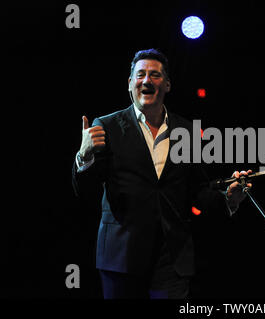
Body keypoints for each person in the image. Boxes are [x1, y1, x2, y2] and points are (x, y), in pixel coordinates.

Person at [72, 48, 251, 299]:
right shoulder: (107, 125)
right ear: (130, 83)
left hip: (172, 258)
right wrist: (84, 155)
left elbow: (196, 190)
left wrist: (227, 198)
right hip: (121, 257)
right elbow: (85, 192)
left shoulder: (187, 131)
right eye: (140, 74)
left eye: (155, 75)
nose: (147, 80)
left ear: (167, 84)